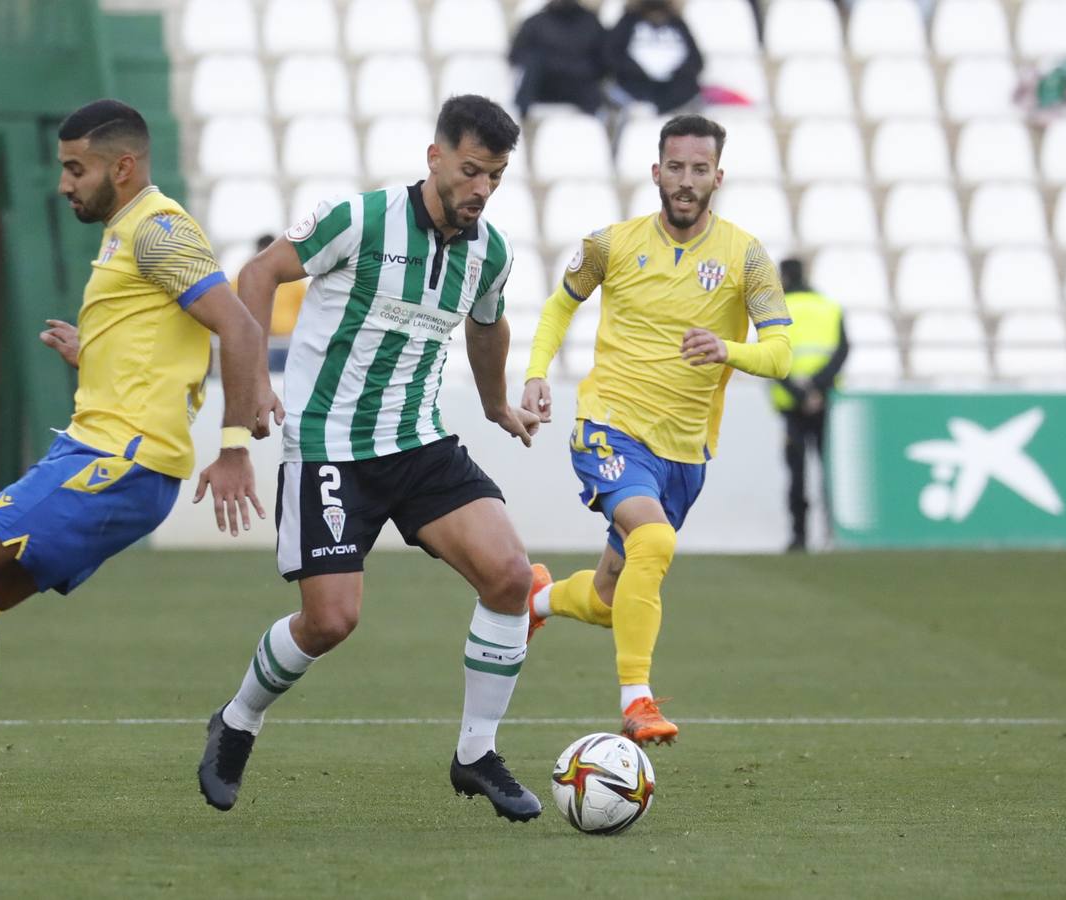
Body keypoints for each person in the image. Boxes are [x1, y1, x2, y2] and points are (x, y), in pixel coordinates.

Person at [0, 99, 273, 837]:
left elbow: (235, 324)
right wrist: (97, 354)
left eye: (75, 169)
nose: (63, 184)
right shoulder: (126, 235)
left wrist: (234, 445)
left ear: (123, 166)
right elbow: (174, 343)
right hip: (100, 452)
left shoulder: (159, 229)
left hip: (120, 462)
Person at [196, 95, 550, 823]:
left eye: (495, 177)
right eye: (471, 171)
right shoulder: (357, 219)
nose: (481, 189)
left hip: (418, 443)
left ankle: (476, 753)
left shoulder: (491, 250)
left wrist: (493, 405)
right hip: (329, 446)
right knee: (329, 622)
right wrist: (257, 376)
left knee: (511, 577)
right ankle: (236, 720)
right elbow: (257, 276)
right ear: (435, 157)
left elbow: (488, 323)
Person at [519, 114, 792, 747]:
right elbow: (561, 305)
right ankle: (637, 699)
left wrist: (728, 350)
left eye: (700, 169)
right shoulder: (610, 244)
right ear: (655, 171)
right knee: (656, 541)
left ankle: (536, 600)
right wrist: (536, 372)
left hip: (685, 453)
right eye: (676, 167)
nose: (686, 181)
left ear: (718, 176)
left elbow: (780, 354)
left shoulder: (746, 257)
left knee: (610, 598)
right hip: (609, 427)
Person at [771, 258, 848, 553]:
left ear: (785, 278)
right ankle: (832, 533)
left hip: (792, 405)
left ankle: (799, 536)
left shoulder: (777, 309)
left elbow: (771, 355)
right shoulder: (829, 307)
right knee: (829, 468)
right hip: (824, 401)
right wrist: (818, 388)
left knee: (797, 472)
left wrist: (800, 394)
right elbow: (842, 351)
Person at [508, 0, 613, 120]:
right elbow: (516, 55)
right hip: (543, 89)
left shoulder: (591, 23)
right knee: (533, 66)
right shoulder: (536, 23)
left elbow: (604, 63)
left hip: (581, 89)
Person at [604, 0, 704, 116]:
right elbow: (612, 55)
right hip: (634, 88)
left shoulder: (678, 23)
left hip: (673, 92)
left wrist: (676, 74)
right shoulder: (628, 21)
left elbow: (696, 61)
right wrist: (637, 72)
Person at [232, 234, 308, 372]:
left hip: (286, 344)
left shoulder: (295, 281)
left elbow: (306, 312)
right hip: (257, 343)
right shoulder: (242, 278)